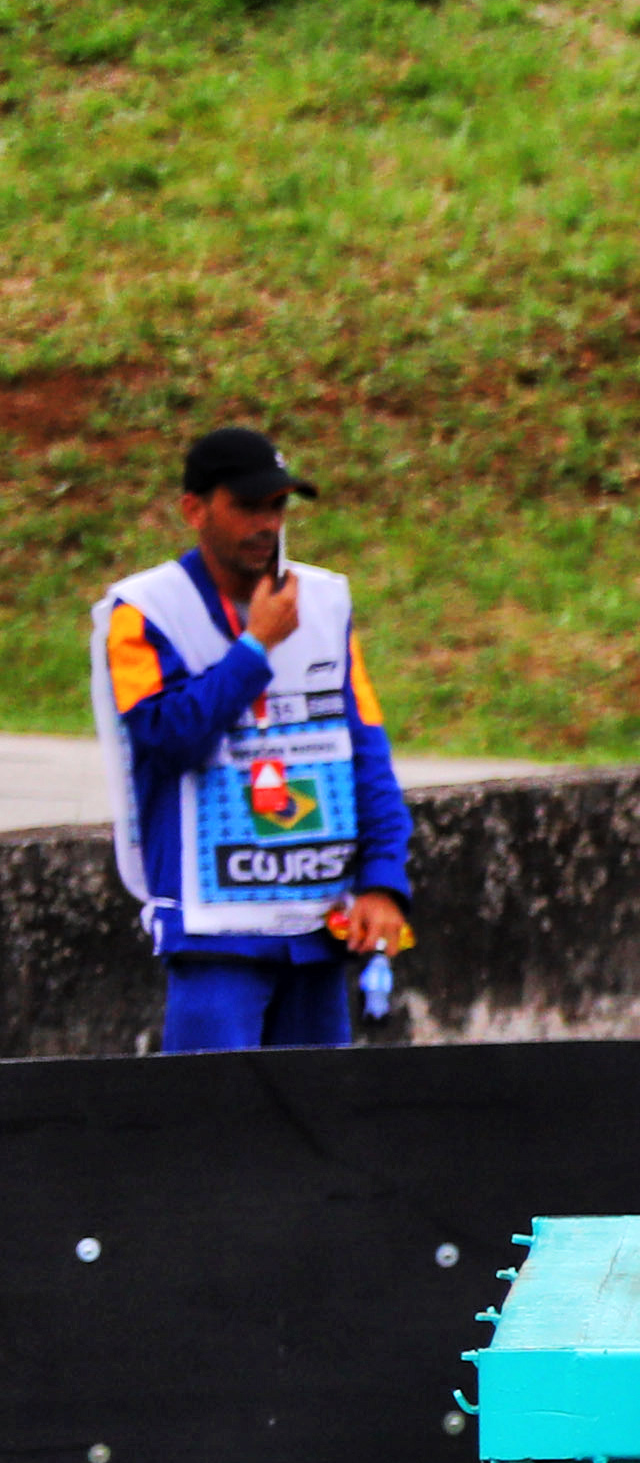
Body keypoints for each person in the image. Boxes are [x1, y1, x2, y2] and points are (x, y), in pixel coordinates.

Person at [96, 423, 417, 1054]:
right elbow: (166, 739)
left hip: (316, 929)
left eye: (276, 506)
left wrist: (383, 881)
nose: (267, 523)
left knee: (316, 1137)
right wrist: (255, 648)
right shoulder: (143, 612)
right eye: (247, 506)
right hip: (216, 935)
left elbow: (364, 750)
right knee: (210, 1132)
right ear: (195, 509)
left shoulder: (324, 602)